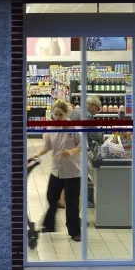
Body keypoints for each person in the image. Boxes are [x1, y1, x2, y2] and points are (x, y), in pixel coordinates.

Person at [28, 101, 83, 241]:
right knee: (51, 197)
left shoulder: (74, 127)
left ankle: (75, 231)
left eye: (60, 114)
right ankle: (49, 225)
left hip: (72, 171)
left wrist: (71, 152)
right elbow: (47, 146)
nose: (57, 117)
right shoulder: (51, 127)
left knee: (71, 202)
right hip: (56, 170)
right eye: (55, 114)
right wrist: (37, 154)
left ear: (67, 113)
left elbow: (83, 145)